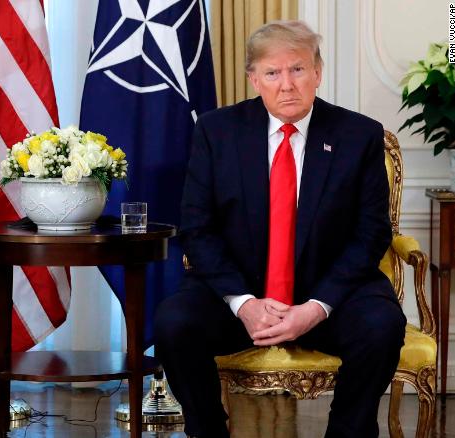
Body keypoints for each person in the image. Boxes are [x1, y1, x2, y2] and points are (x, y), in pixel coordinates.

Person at [154, 20, 406, 438]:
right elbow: (198, 229)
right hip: (241, 295)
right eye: (272, 73)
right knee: (174, 323)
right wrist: (245, 303)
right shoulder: (216, 132)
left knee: (381, 325)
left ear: (318, 73)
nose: (286, 84)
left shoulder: (358, 134)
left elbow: (370, 234)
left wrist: (316, 307)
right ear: (254, 79)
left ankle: (347, 432)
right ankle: (209, 432)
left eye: (298, 69)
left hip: (328, 296)